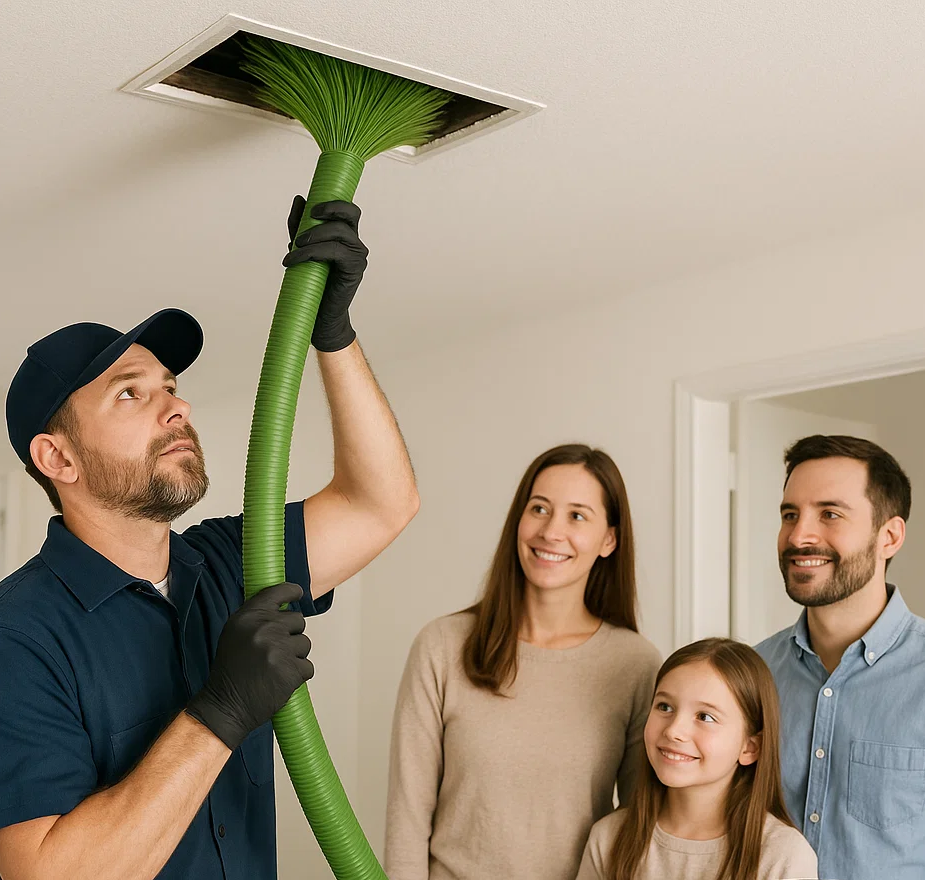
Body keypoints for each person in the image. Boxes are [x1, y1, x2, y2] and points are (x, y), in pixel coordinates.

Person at [0, 198, 420, 880]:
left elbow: (381, 504)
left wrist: (333, 335)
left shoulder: (231, 562)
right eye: (130, 394)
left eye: (170, 385)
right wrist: (219, 712)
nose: (178, 405)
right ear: (58, 459)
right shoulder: (17, 636)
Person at [384, 444, 662, 880]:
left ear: (609, 539)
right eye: (539, 508)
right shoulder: (442, 645)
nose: (551, 531)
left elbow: (636, 826)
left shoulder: (636, 665)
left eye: (577, 515)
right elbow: (407, 814)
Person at [755, 434, 925, 880]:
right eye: (790, 514)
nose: (799, 536)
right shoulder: (752, 674)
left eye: (829, 514)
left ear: (889, 536)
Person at [577, 637, 818, 880]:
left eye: (705, 717)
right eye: (664, 707)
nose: (673, 730)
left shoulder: (784, 857)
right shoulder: (608, 838)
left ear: (750, 748)